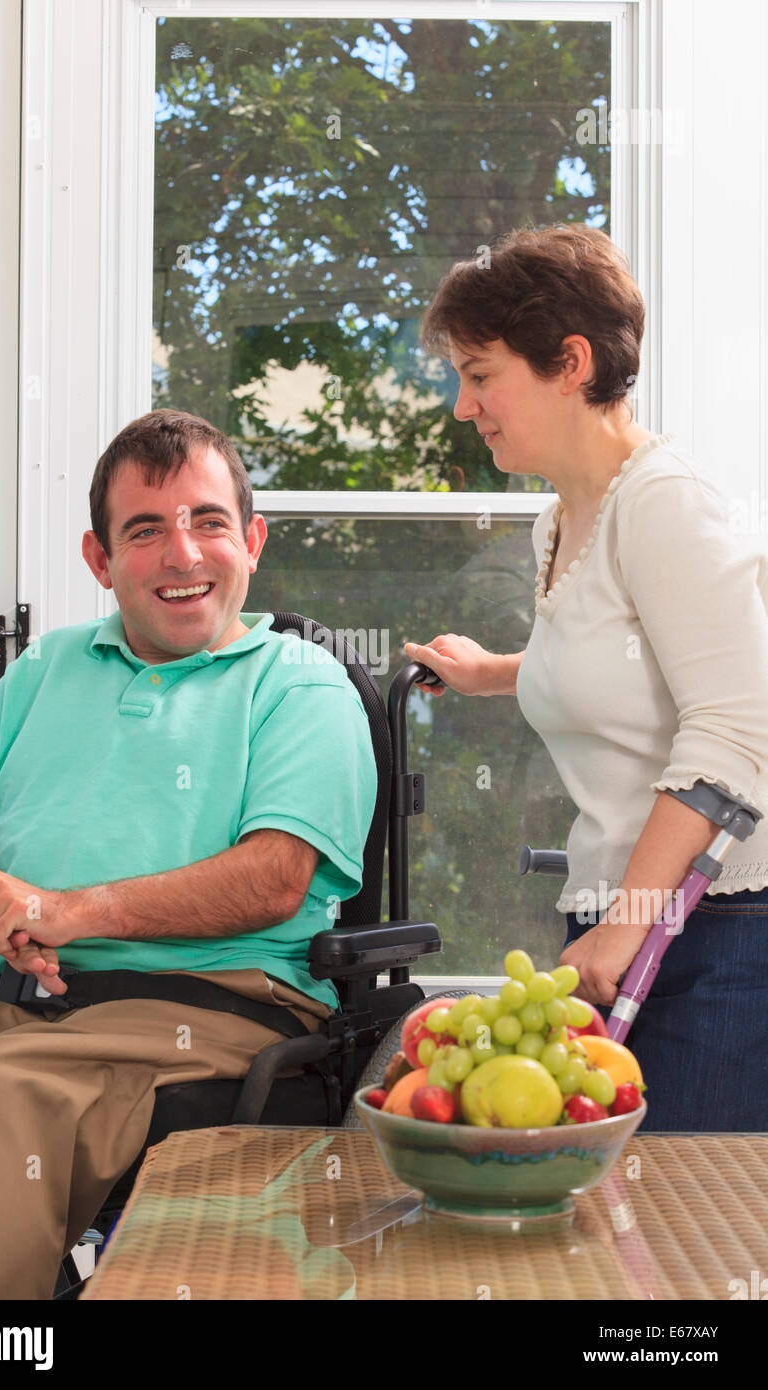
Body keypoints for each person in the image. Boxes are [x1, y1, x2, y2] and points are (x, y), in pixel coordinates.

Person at [0, 408, 377, 1298]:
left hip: (199, 1007)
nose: (183, 554)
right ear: (101, 558)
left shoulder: (299, 683)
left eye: (208, 522)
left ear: (253, 541)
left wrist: (63, 911)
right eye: (146, 529)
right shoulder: (44, 669)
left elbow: (276, 878)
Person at [404, 223, 768, 1132]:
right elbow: (627, 662)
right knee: (615, 1236)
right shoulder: (562, 521)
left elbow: (736, 727)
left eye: (480, 375)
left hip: (715, 931)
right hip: (622, 920)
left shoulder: (665, 505)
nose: (461, 405)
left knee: (690, 1233)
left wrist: (631, 917)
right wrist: (494, 674)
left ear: (570, 362)